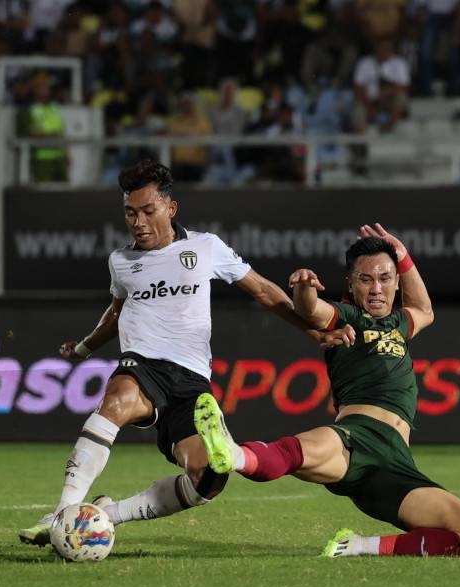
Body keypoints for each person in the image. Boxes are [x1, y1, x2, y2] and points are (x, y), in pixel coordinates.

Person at [19, 159, 352, 546]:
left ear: (170, 208)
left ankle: (106, 514)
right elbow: (115, 314)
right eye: (130, 213)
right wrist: (83, 347)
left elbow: (263, 290)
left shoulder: (205, 248)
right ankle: (62, 513)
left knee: (207, 480)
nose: (138, 222)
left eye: (147, 211)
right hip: (142, 364)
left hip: (191, 379)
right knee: (118, 399)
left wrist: (313, 330)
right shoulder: (122, 262)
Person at [193, 224, 460, 558]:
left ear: (397, 282)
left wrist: (405, 257)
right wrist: (304, 287)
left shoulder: (400, 324)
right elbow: (311, 310)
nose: (377, 288)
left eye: (385, 278)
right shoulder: (348, 318)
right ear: (351, 283)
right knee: (295, 452)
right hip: (355, 437)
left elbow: (425, 310)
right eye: (366, 279)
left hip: (395, 465)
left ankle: (358, 545)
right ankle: (231, 453)